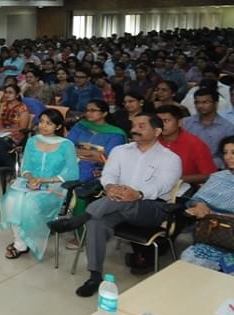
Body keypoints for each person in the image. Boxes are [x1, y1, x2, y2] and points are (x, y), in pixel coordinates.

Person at [48, 114, 182, 298]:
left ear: (157, 131)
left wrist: (138, 193)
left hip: (151, 208)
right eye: (133, 125)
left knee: (122, 202)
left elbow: (163, 185)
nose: (135, 129)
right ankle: (95, 276)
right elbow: (108, 175)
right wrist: (110, 187)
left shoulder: (171, 158)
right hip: (117, 204)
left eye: (142, 126)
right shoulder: (120, 151)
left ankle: (76, 220)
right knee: (96, 223)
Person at [0, 109, 79, 260]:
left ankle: (26, 242)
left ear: (58, 126)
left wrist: (44, 180)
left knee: (29, 203)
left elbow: (72, 173)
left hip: (54, 186)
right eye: (41, 121)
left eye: (49, 123)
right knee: (11, 201)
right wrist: (30, 179)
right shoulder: (32, 141)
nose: (43, 126)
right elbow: (26, 168)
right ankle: (20, 243)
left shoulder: (66, 144)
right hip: (29, 182)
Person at [179, 136, 234, 273]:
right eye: (225, 152)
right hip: (212, 235)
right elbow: (197, 199)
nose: (228, 157)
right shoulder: (219, 177)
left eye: (233, 152)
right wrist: (200, 205)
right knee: (189, 258)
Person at [0, 84, 31, 185]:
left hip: (16, 135)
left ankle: (13, 169)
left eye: (10, 92)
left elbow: (23, 127)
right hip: (1, 133)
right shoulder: (2, 105)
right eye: (6, 92)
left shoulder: (23, 108)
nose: (7, 95)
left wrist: (4, 130)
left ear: (17, 95)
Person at [67, 100, 127, 183]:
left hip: (97, 169)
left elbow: (106, 158)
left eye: (93, 110)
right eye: (87, 110)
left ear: (104, 113)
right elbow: (67, 147)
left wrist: (78, 150)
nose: (88, 113)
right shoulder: (80, 126)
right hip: (72, 162)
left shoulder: (115, 134)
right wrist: (94, 152)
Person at [156, 104, 217, 185]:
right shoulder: (152, 140)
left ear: (180, 122)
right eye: (158, 121)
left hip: (184, 188)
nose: (161, 125)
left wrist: (177, 179)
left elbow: (209, 175)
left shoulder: (195, 144)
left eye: (166, 121)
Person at [182, 89, 234, 170]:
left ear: (216, 104)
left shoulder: (227, 128)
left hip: (214, 169)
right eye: (197, 102)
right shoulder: (185, 123)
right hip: (186, 165)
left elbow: (226, 155)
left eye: (205, 102)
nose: (200, 106)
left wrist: (206, 164)